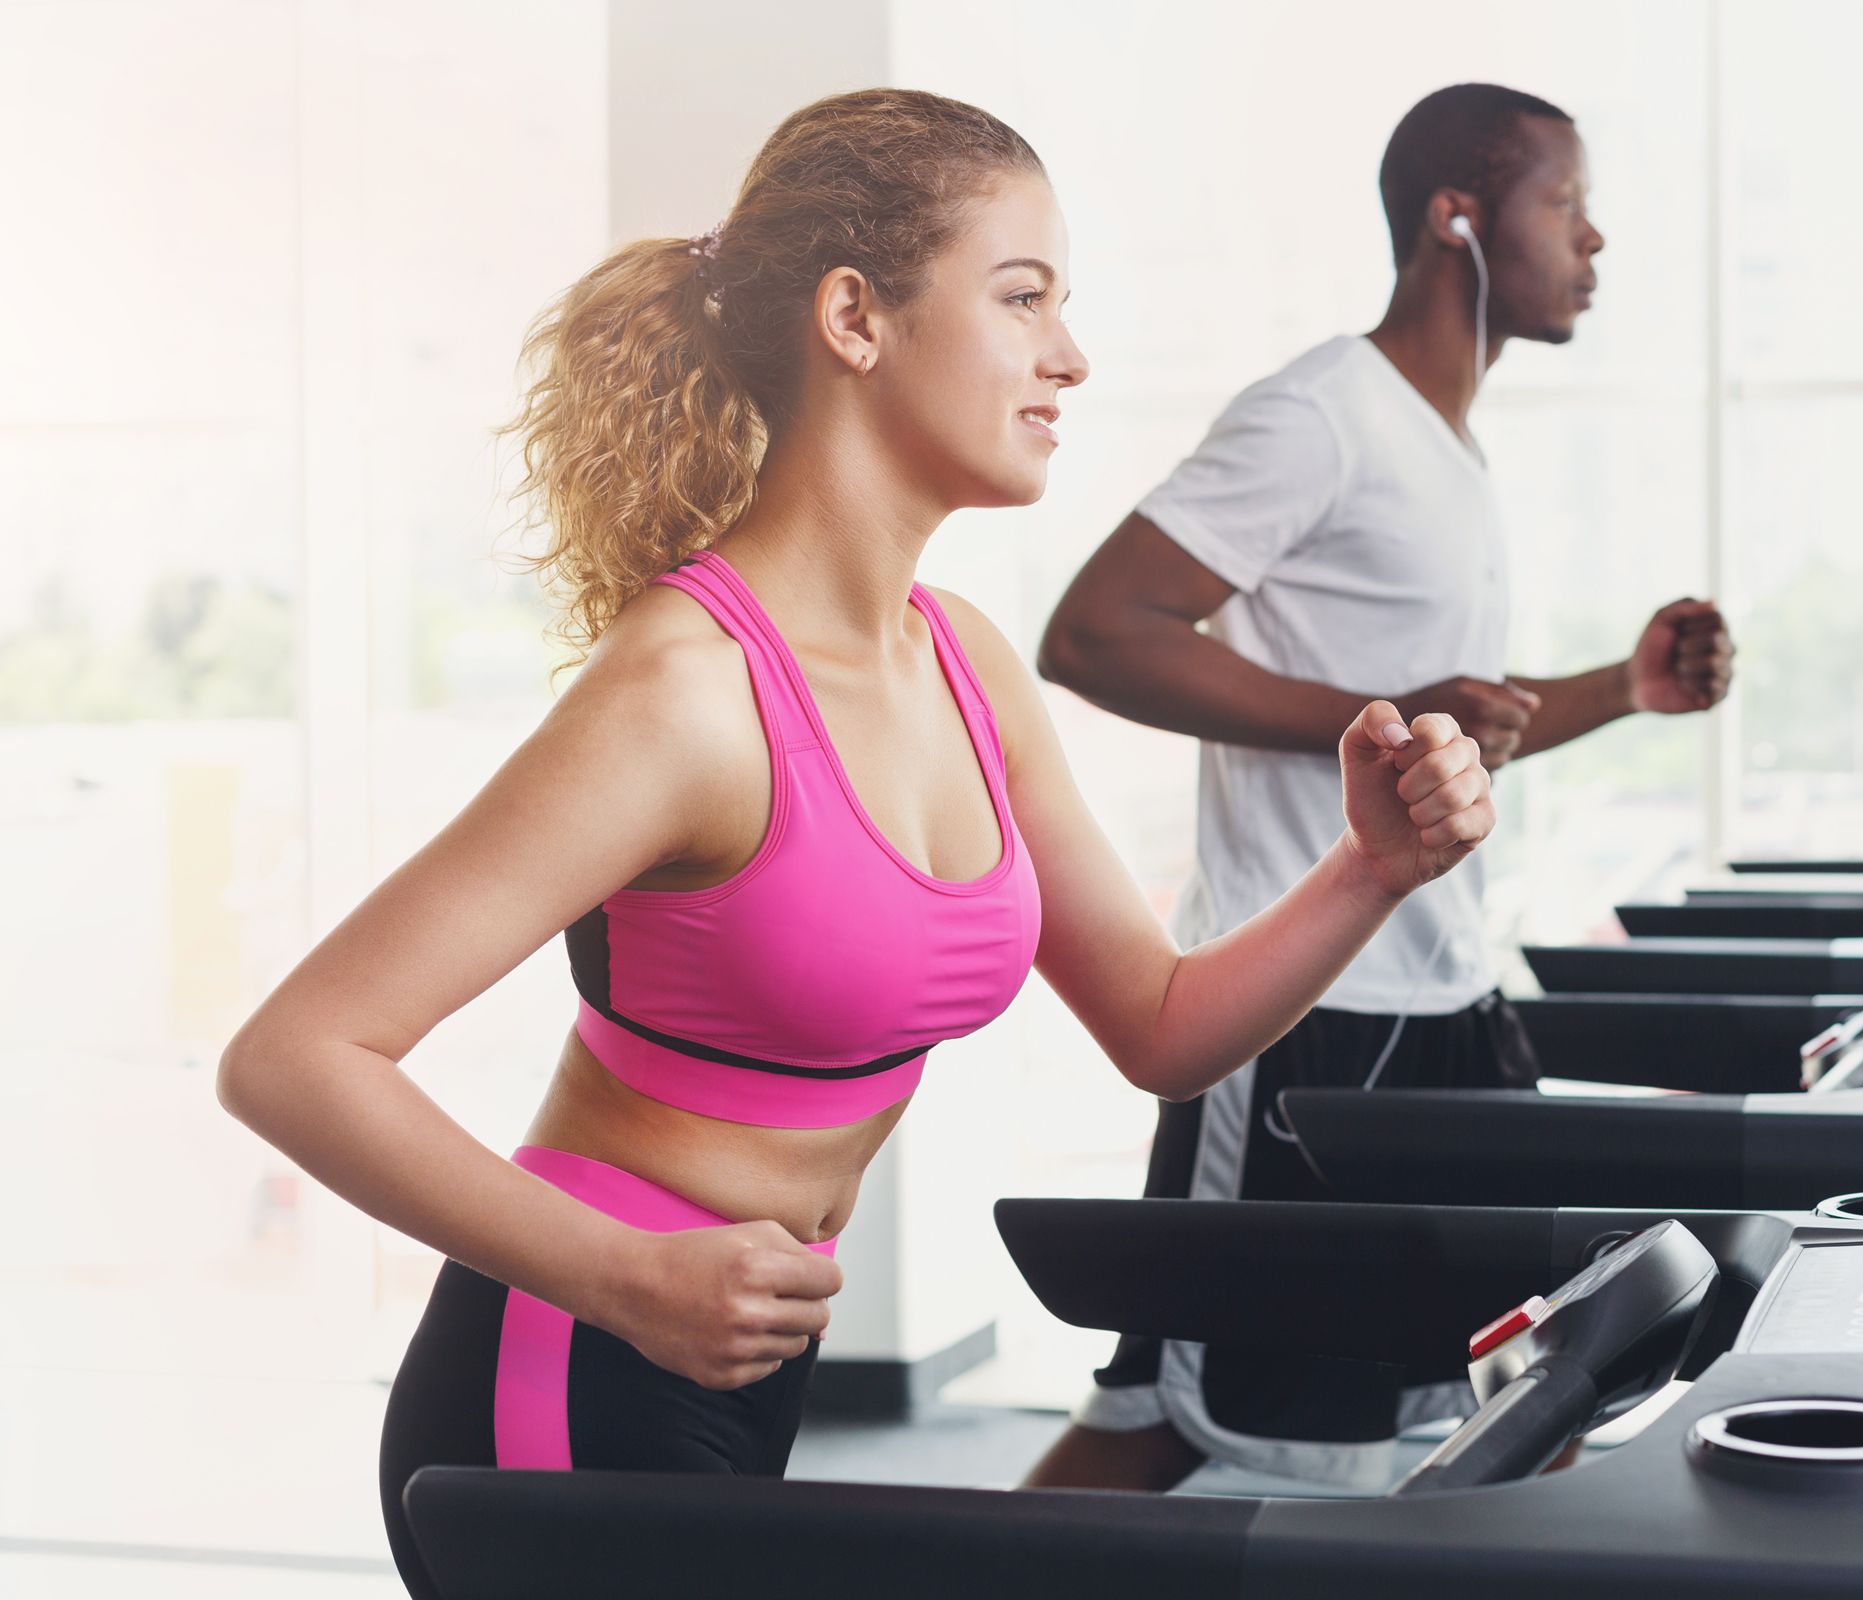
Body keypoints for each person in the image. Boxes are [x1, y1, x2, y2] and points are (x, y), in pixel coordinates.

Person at [213, 88, 1496, 1597]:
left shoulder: (963, 663)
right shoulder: (689, 693)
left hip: (742, 1364)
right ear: (855, 317)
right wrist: (627, 1277)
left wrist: (1369, 870)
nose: (1068, 356)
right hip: (574, 1366)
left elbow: (1160, 1028)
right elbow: (296, 1055)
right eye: (1022, 299)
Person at [1026, 83, 1734, 1494]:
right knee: (1178, 1414)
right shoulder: (1323, 414)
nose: (1593, 242)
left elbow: (1456, 734)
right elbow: (1096, 633)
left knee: (1533, 1390)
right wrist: (1389, 718)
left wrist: (1627, 687)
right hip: (1306, 1026)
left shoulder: (1448, 445)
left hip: (1446, 1006)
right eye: (1563, 204)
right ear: (1455, 220)